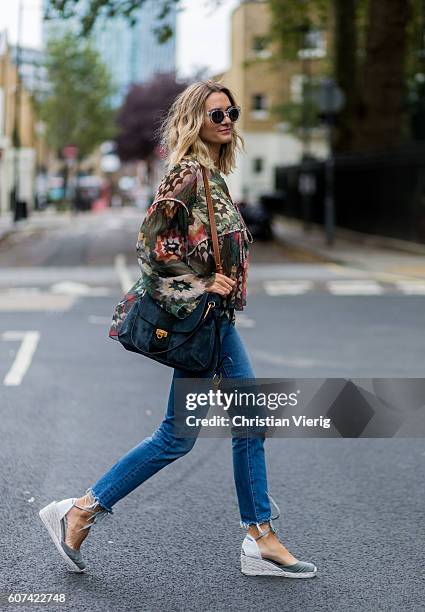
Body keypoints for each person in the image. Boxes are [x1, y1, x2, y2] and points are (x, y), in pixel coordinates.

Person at [39, 80, 317, 579]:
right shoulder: (188, 175)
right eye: (216, 114)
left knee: (200, 432)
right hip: (204, 319)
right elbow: (152, 249)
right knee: (190, 434)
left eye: (231, 111)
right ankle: (84, 510)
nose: (228, 119)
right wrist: (204, 282)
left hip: (215, 321)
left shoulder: (212, 177)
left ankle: (256, 535)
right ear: (195, 121)